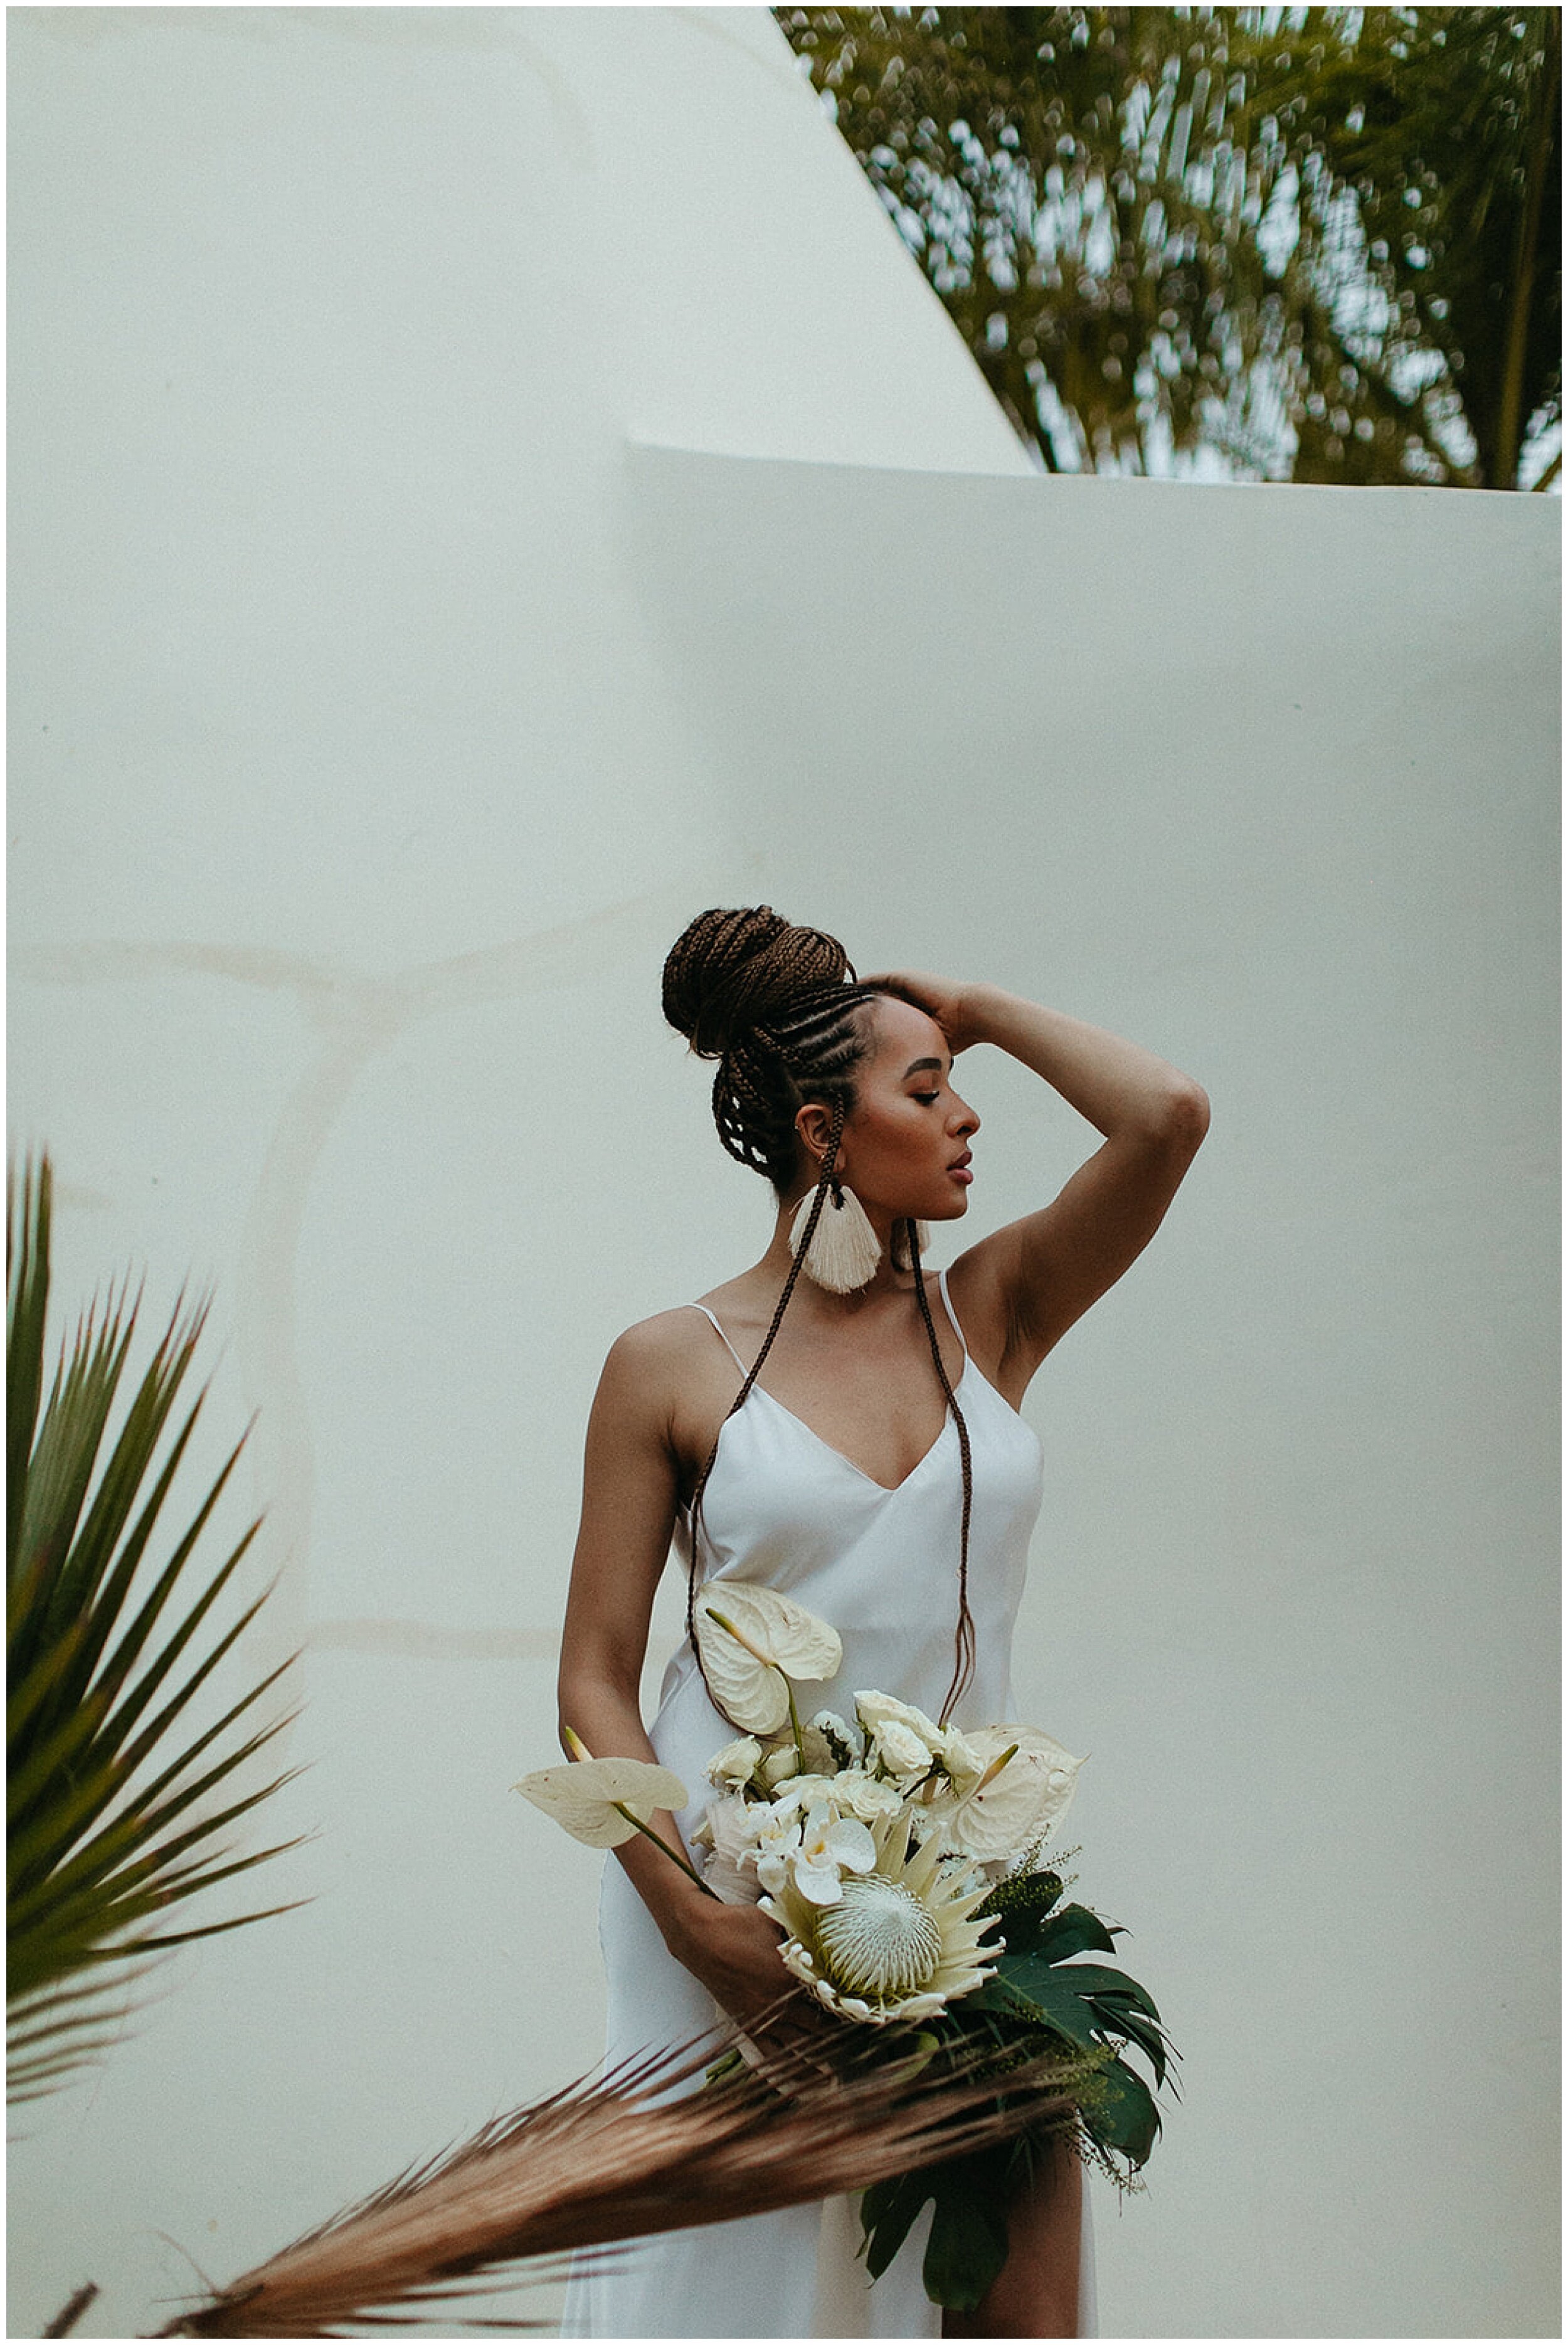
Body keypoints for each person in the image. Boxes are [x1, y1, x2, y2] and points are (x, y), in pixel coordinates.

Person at [556, 905, 1209, 2340]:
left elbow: (1164, 1117)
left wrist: (964, 1000)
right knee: (756, 2289)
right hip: (727, 1893)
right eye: (925, 1091)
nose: (968, 1115)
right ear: (819, 1129)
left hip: (955, 1902)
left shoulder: (995, 1313)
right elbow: (595, 1680)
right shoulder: (672, 1360)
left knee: (1013, 2303)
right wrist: (691, 1921)